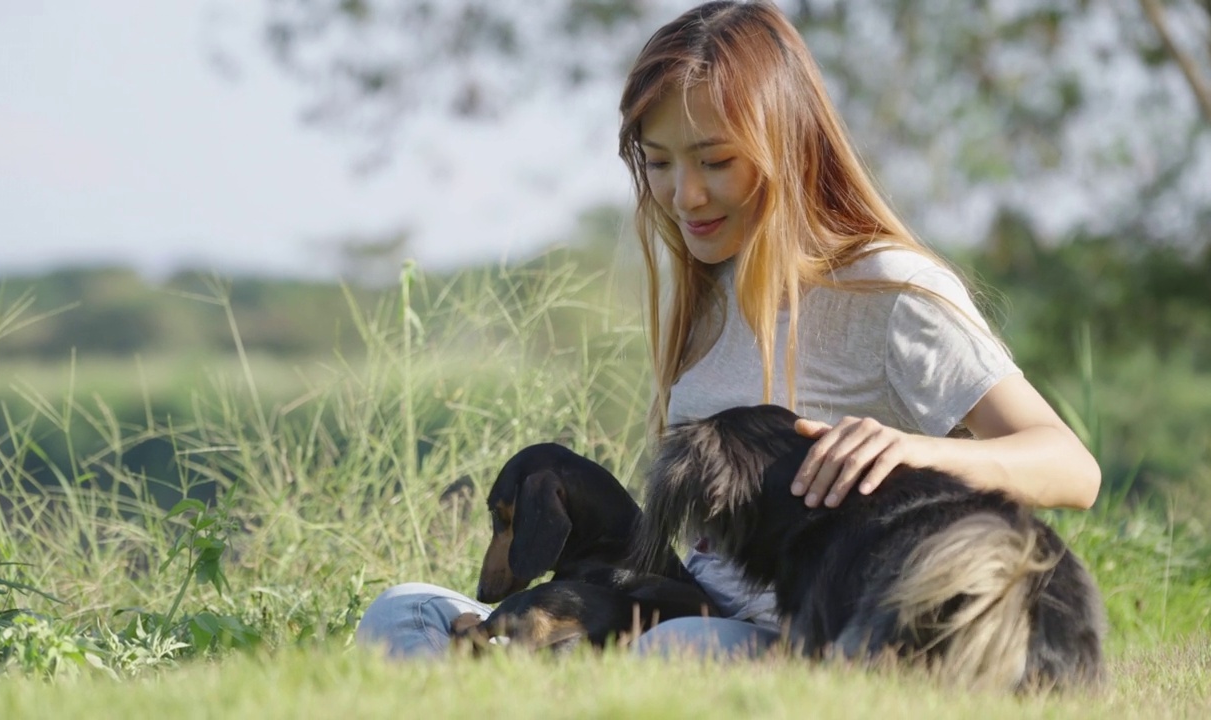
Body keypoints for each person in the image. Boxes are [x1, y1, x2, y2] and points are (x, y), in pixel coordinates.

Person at [355, 0, 1100, 659]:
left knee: (676, 649)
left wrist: (914, 453)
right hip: (690, 604)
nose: (685, 194)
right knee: (404, 612)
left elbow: (1071, 468)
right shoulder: (706, 289)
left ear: (786, 144)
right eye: (658, 163)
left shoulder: (888, 290)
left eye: (715, 160)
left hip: (817, 625)